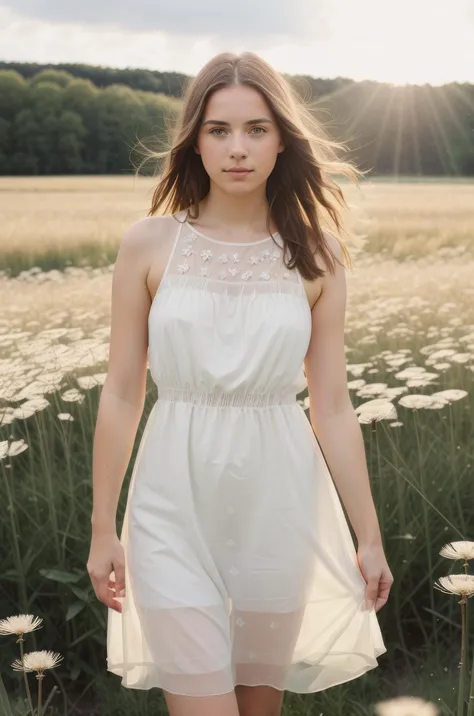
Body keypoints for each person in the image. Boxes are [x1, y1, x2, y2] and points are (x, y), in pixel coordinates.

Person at [87, 51, 393, 716]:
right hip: (170, 502)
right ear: (195, 139)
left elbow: (333, 406)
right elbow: (121, 392)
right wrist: (102, 527)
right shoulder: (147, 245)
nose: (237, 148)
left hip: (279, 504)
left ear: (283, 139)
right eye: (219, 130)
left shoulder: (318, 254)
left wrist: (367, 536)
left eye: (256, 129)